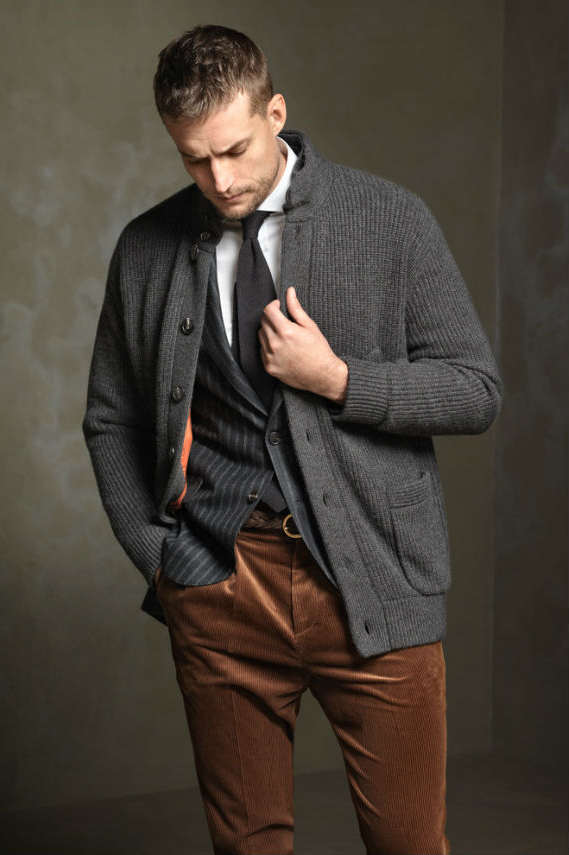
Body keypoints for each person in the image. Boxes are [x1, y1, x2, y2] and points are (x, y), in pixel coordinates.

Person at [83, 24, 502, 855]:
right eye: (195, 159)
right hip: (220, 583)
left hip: (376, 578)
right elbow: (110, 418)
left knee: (409, 843)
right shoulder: (145, 250)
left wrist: (341, 378)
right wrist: (162, 560)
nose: (220, 179)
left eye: (235, 149)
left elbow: (476, 390)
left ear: (275, 113)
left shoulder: (389, 218)